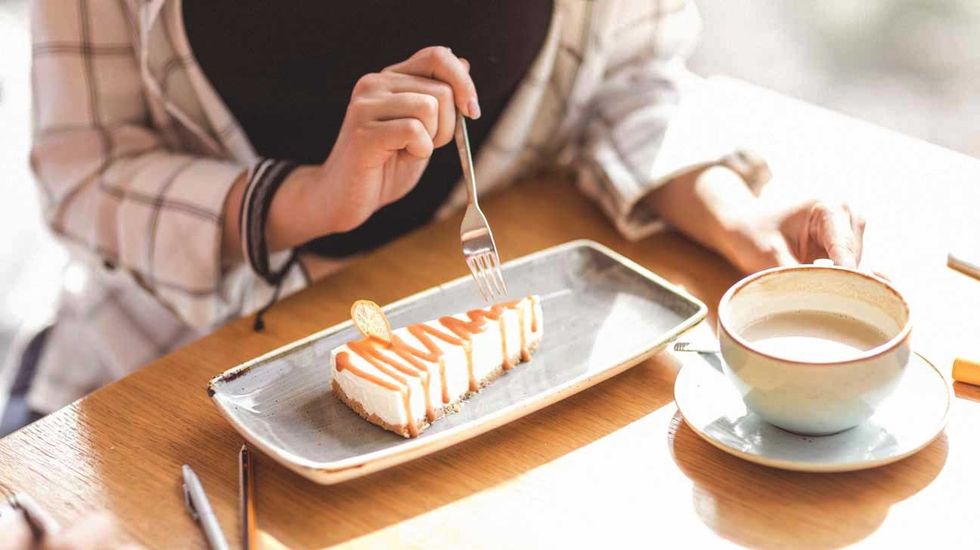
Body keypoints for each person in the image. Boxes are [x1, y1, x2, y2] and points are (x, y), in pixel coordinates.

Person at [10, 0, 865, 429]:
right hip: (154, 379)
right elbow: (86, 169)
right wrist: (299, 202)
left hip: (513, 407)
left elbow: (625, 79)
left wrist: (735, 215)